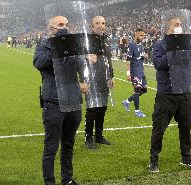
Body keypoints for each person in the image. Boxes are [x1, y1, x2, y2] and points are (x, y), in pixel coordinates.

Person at [149, 16, 191, 173]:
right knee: (159, 128)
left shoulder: (187, 45)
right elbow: (158, 65)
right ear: (168, 28)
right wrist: (173, 50)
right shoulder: (160, 45)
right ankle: (154, 159)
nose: (179, 27)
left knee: (186, 127)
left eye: (180, 24)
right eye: (176, 25)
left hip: (185, 93)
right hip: (166, 94)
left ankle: (186, 158)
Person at [33, 16, 81, 185]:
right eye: (60, 25)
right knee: (51, 147)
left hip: (73, 100)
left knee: (68, 144)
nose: (64, 28)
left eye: (66, 24)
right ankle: (49, 182)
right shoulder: (44, 45)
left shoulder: (73, 44)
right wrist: (57, 45)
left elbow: (80, 65)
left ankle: (67, 179)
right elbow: (39, 63)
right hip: (54, 101)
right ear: (51, 29)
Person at [80, 16, 114, 149]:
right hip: (91, 80)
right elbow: (75, 56)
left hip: (104, 79)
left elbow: (108, 61)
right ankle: (88, 138)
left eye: (103, 23)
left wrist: (111, 76)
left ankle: (99, 136)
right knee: (92, 109)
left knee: (102, 108)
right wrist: (85, 56)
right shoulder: (86, 40)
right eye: (98, 23)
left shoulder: (106, 40)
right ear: (92, 26)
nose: (101, 25)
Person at [122, 28, 148, 117]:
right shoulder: (132, 45)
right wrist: (128, 74)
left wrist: (145, 57)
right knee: (137, 90)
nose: (143, 37)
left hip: (141, 71)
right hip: (135, 72)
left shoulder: (142, 46)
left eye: (143, 35)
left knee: (144, 89)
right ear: (136, 35)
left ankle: (127, 101)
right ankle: (137, 112)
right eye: (141, 35)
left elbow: (141, 57)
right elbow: (128, 60)